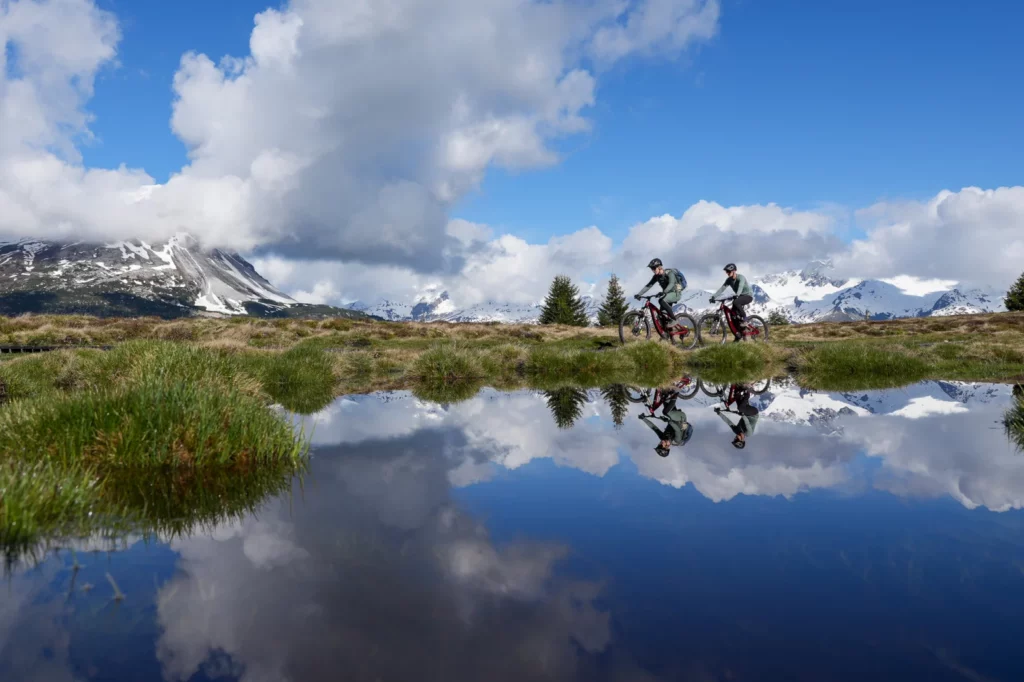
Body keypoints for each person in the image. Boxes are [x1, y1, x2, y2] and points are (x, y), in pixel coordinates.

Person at [639, 388, 693, 457]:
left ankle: (669, 386)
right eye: (661, 445)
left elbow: (654, 428)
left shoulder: (662, 437)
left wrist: (643, 419)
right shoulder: (676, 441)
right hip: (681, 419)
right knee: (665, 412)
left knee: (664, 398)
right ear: (666, 447)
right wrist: (668, 421)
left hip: (672, 418)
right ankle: (677, 392)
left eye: (659, 445)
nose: (660, 443)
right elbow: (677, 429)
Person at [634, 258, 686, 328]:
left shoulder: (670, 273)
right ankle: (667, 335)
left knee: (661, 300)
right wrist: (639, 294)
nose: (652, 270)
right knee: (661, 316)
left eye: (653, 268)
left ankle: (674, 320)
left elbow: (671, 284)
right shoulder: (656, 277)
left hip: (676, 293)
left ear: (659, 267)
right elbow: (648, 286)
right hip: (667, 295)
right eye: (652, 269)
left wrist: (663, 292)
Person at [710, 263, 754, 340]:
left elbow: (740, 287)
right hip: (738, 297)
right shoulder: (729, 280)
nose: (727, 273)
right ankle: (738, 336)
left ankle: (745, 319)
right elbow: (722, 289)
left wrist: (737, 294)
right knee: (733, 316)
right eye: (726, 271)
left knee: (736, 302)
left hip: (747, 296)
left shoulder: (741, 277)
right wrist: (714, 297)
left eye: (729, 271)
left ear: (734, 271)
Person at [714, 383, 760, 449]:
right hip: (753, 414)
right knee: (740, 408)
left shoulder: (736, 430)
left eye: (735, 439)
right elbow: (747, 423)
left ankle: (736, 385)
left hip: (742, 413)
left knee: (731, 404)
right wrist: (742, 414)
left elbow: (728, 421)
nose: (735, 438)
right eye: (736, 439)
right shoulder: (748, 433)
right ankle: (748, 391)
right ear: (742, 440)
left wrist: (719, 413)